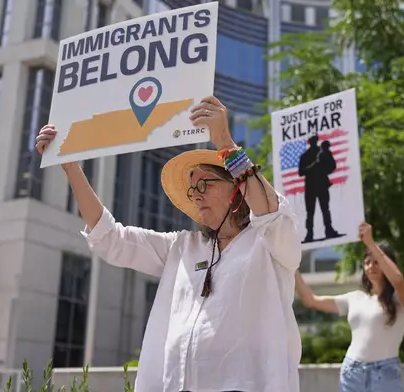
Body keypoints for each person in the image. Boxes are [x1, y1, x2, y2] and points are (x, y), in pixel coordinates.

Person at [35, 96, 302, 392]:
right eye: (193, 189)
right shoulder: (182, 247)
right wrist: (70, 166)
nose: (196, 194)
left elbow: (271, 214)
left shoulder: (271, 243)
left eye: (205, 184)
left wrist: (225, 143)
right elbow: (110, 237)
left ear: (237, 190)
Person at [294, 222, 404, 392]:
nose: (372, 266)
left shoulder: (401, 298)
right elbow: (310, 300)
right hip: (352, 372)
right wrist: (293, 267)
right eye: (367, 262)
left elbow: (398, 279)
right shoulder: (355, 298)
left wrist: (370, 243)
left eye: (377, 261)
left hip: (384, 375)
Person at [298, 135, 340, 242]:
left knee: (325, 209)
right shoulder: (305, 156)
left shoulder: (324, 152)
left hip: (321, 184)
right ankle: (309, 234)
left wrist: (324, 165)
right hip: (310, 186)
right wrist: (314, 165)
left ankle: (329, 230)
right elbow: (301, 172)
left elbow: (332, 167)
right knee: (310, 212)